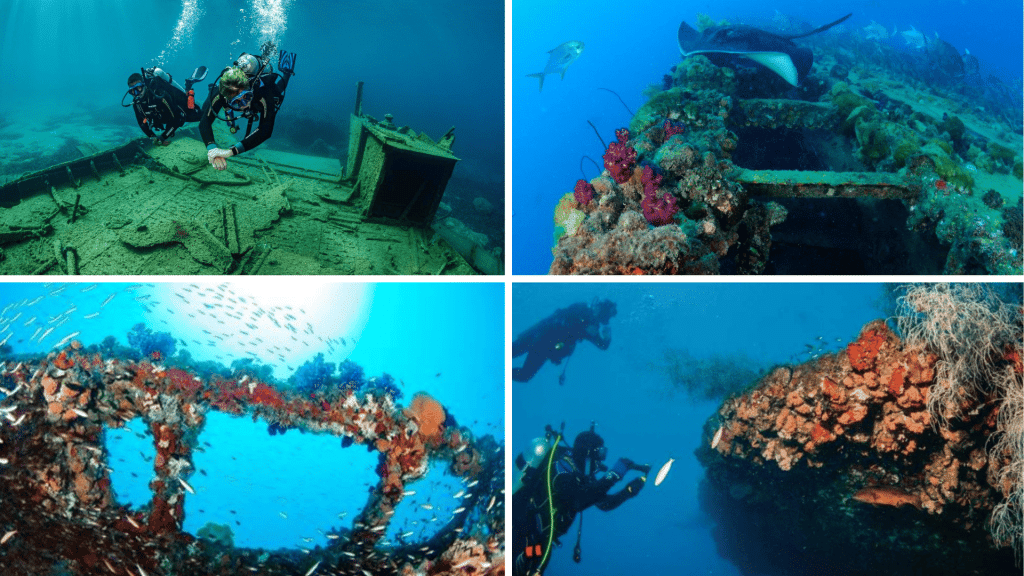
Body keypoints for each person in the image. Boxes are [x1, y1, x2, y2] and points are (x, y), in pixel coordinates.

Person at [512, 424, 648, 576]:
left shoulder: (581, 477)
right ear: (587, 453)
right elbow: (578, 501)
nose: (600, 461)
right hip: (521, 536)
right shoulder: (561, 468)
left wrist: (628, 492)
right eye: (600, 453)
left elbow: (604, 503)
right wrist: (613, 476)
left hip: (541, 543)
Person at [200, 44, 296, 170]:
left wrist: (230, 152)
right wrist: (212, 149)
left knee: (276, 92)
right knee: (204, 110)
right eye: (236, 102)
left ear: (249, 88)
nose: (244, 105)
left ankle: (286, 73)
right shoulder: (219, 93)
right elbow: (204, 122)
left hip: (260, 90)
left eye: (246, 97)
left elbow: (266, 130)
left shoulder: (262, 92)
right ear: (227, 99)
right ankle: (264, 56)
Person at [512, 298, 616, 383]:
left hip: (545, 349)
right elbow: (561, 318)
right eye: (602, 313)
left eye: (603, 317)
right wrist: (582, 327)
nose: (598, 318)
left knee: (525, 376)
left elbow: (602, 346)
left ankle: (499, 373)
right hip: (538, 335)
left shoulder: (592, 327)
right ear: (599, 307)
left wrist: (607, 338)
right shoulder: (581, 308)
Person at [124, 66, 207, 145]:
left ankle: (190, 86)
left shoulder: (160, 95)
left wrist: (163, 137)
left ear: (144, 85)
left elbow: (178, 118)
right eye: (133, 91)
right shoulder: (137, 104)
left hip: (178, 111)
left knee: (201, 116)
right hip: (164, 118)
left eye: (138, 88)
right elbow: (141, 123)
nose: (137, 94)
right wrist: (153, 137)